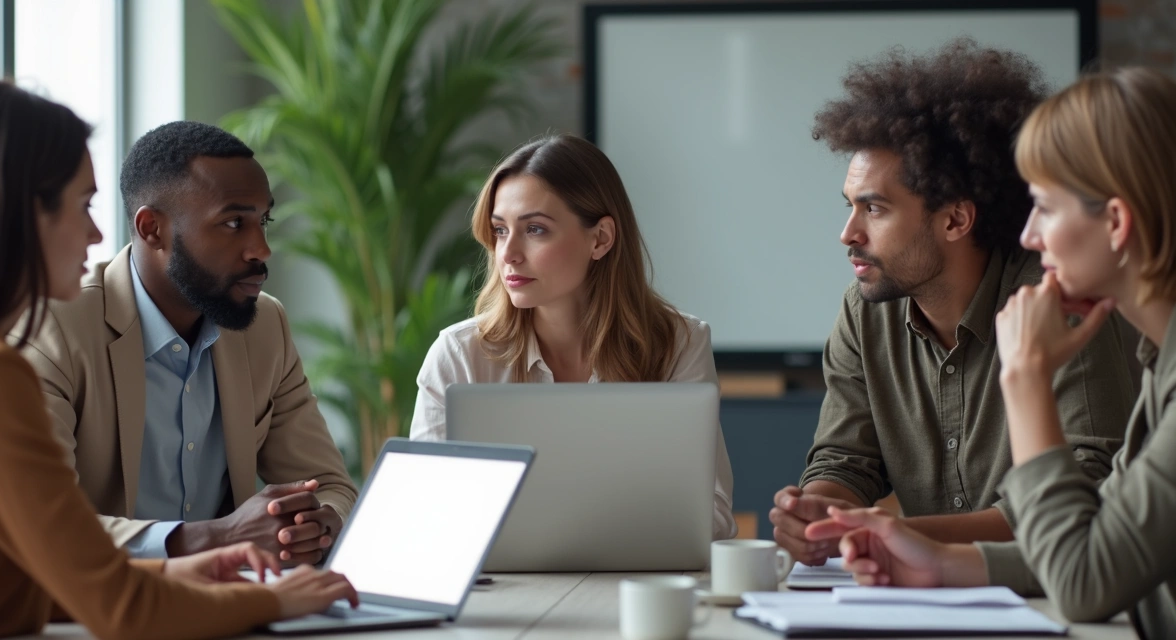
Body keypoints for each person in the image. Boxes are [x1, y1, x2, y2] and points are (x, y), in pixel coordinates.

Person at [0, 81, 357, 639]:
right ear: (24, 217)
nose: (98, 232)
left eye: (262, 222)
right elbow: (119, 609)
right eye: (83, 206)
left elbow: (31, 577)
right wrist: (271, 599)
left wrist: (182, 571)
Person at [809, 66, 1176, 639]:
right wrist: (943, 563)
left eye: (1045, 207)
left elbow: (1082, 581)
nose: (1028, 235)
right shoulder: (1163, 366)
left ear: (1115, 223)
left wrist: (1025, 380)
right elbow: (1101, 548)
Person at [772, 38, 1138, 565]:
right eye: (850, 206)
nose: (847, 233)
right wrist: (822, 514)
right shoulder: (863, 311)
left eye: (874, 209)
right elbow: (846, 459)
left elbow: (1087, 489)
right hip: (938, 589)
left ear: (955, 220)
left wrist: (902, 536)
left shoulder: (1057, 302)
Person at [13, 120, 357, 563]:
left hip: (232, 596)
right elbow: (41, 522)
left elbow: (329, 485)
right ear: (152, 229)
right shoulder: (53, 329)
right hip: (104, 601)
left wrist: (317, 524)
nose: (261, 248)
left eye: (263, 221)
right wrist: (216, 538)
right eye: (233, 223)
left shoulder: (265, 325)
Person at [409, 134, 737, 539]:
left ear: (600, 239)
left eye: (534, 229)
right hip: (504, 579)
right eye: (500, 230)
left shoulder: (679, 343)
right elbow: (426, 514)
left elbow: (712, 513)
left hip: (635, 574)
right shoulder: (458, 355)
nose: (508, 253)